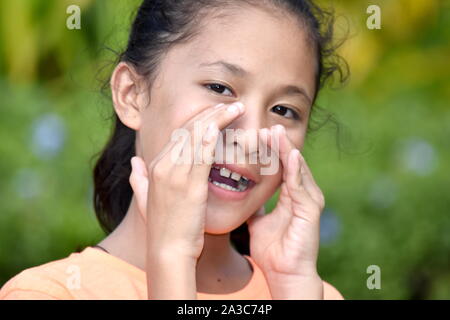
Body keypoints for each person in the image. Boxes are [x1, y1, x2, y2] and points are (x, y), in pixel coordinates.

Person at [0, 0, 347, 299]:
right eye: (220, 87)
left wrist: (293, 285)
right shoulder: (49, 293)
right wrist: (172, 258)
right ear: (132, 95)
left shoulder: (309, 292)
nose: (253, 137)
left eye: (284, 110)